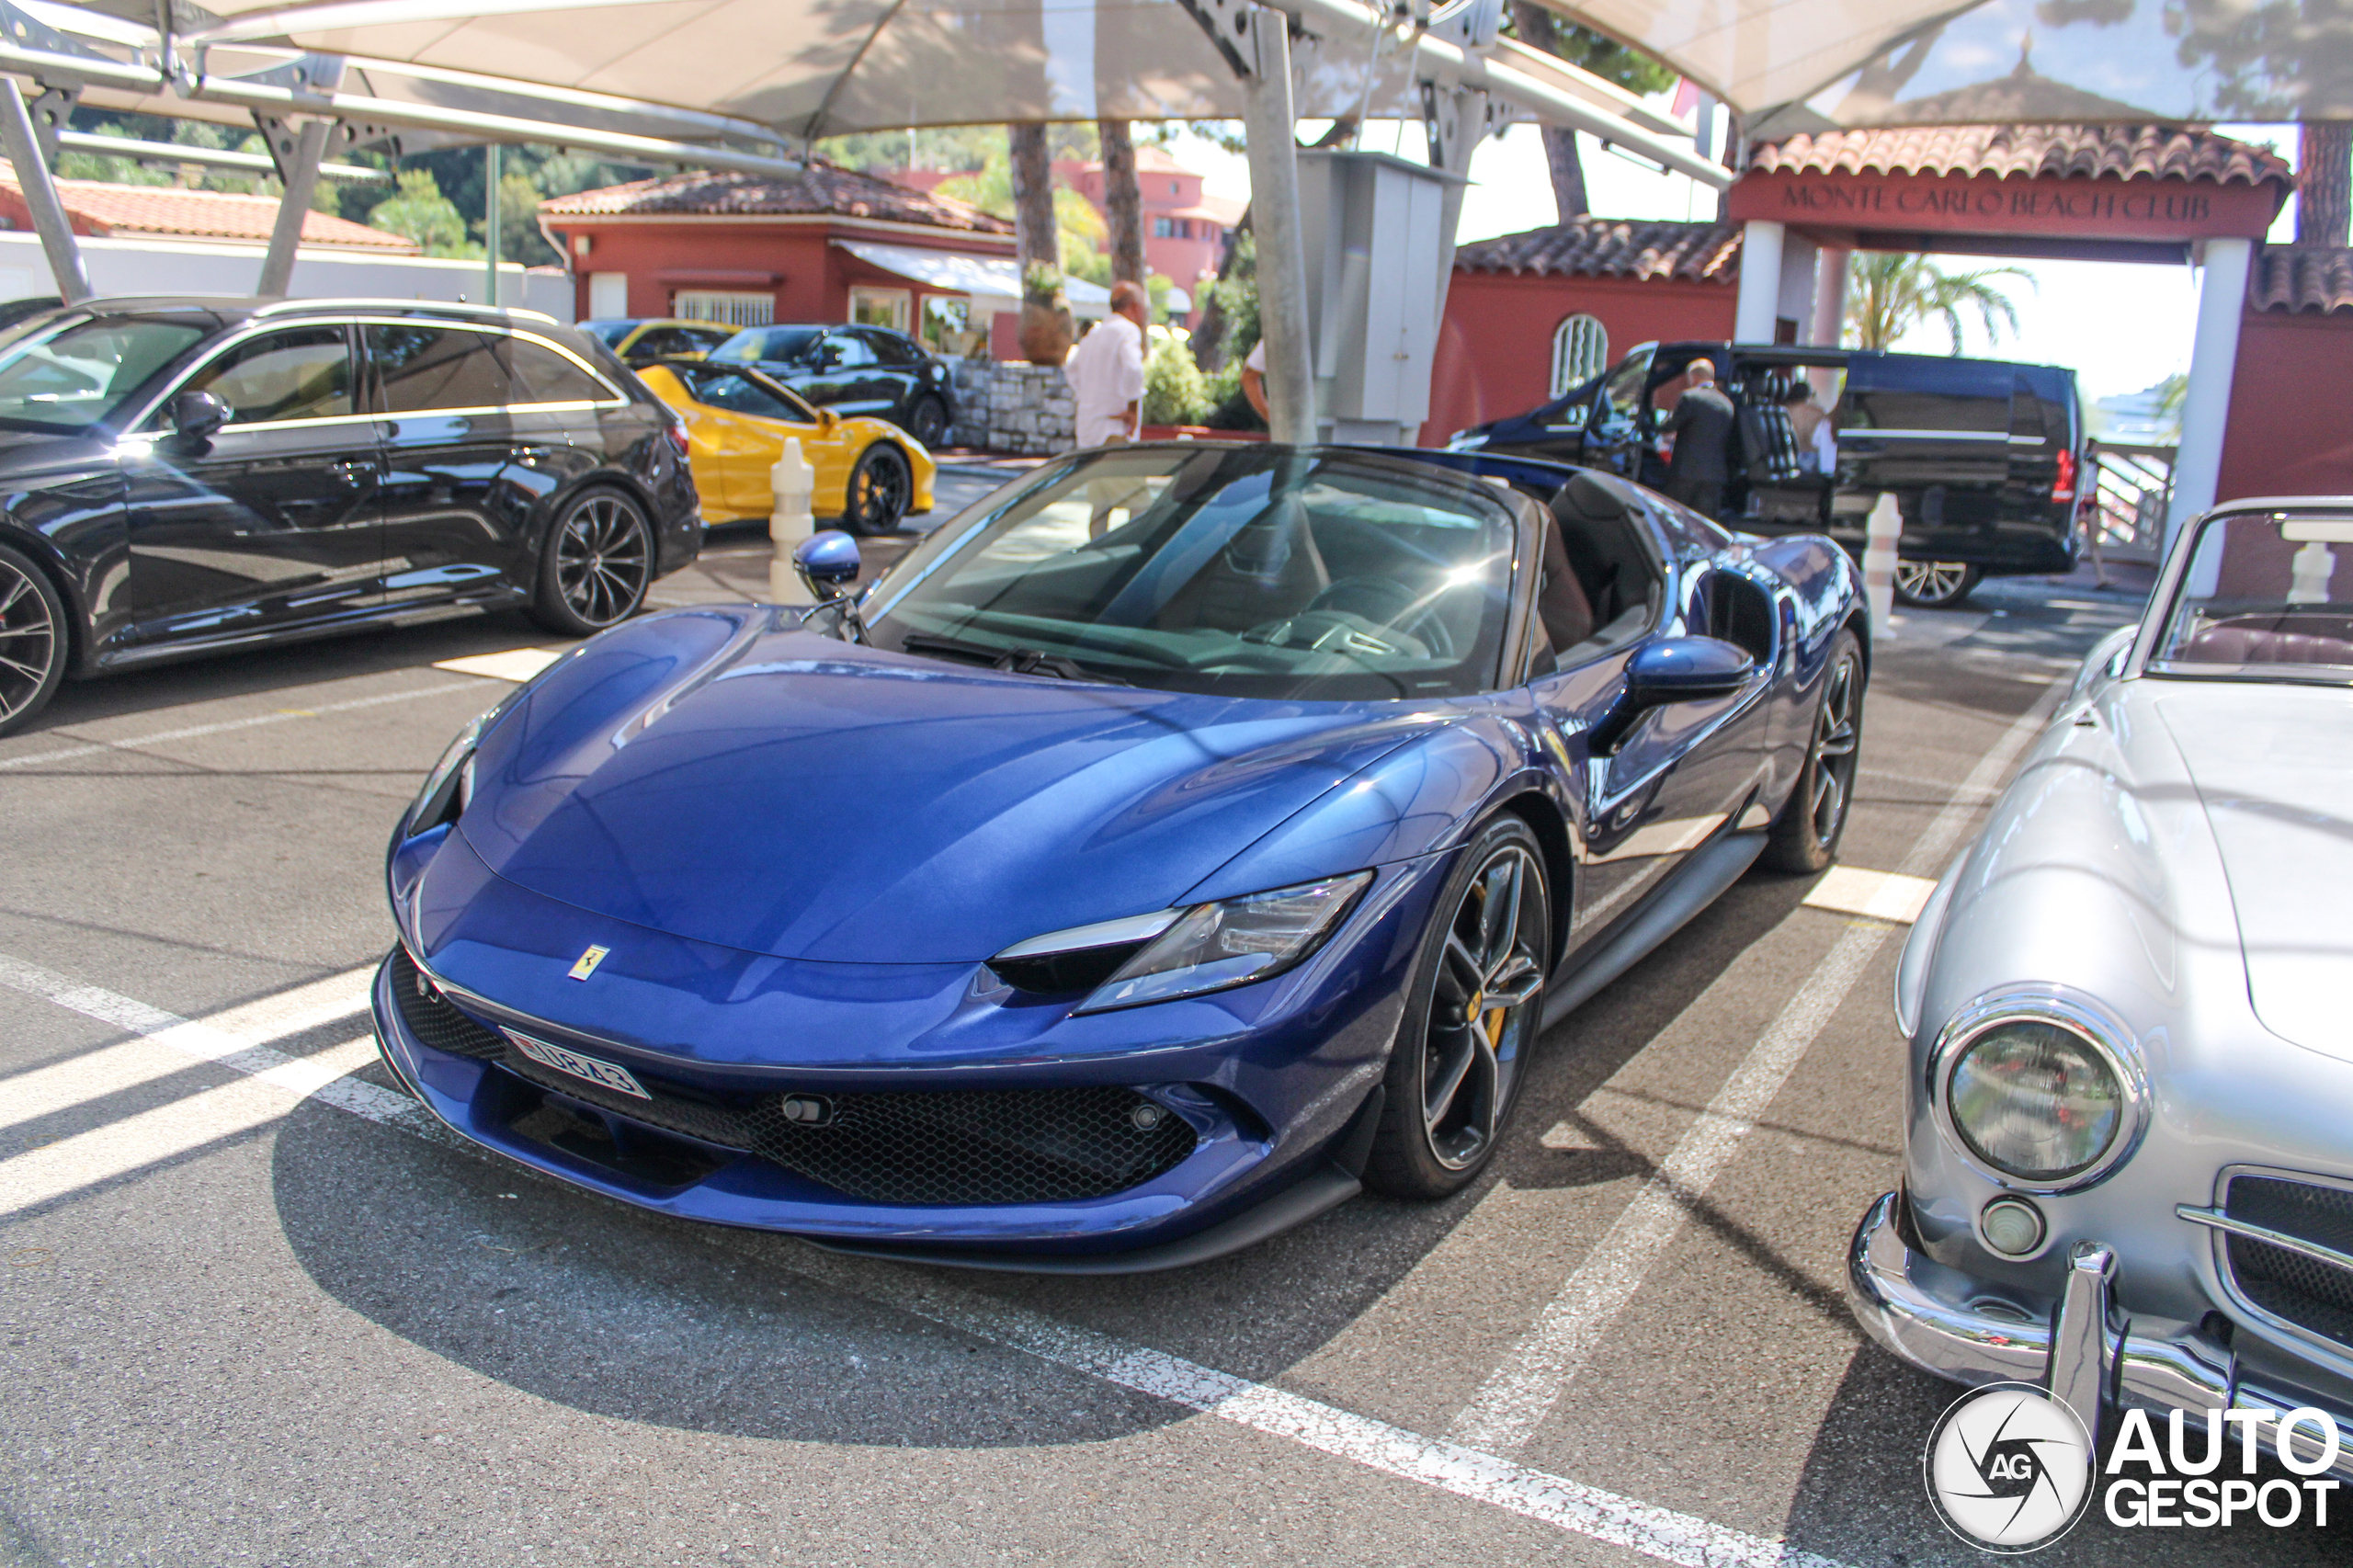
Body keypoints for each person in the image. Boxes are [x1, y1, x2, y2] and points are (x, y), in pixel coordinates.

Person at [1064, 280, 1150, 448]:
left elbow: (1071, 370)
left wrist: (1090, 400)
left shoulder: (1093, 335)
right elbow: (1133, 369)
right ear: (1135, 307)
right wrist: (1132, 410)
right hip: (1112, 428)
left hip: (1086, 426)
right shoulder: (1127, 330)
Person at [1661, 358, 1736, 519]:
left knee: (1677, 517)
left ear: (1693, 377)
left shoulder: (1690, 398)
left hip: (1686, 472)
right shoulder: (1727, 404)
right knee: (1705, 523)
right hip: (1714, 475)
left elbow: (1669, 426)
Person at [1781, 382, 1836, 475]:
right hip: (1813, 457)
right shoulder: (1818, 412)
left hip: (1789, 457)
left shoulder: (1785, 411)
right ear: (1808, 395)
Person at [1241, 337, 1269, 423]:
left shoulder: (1277, 333)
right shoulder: (1277, 333)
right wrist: (1271, 417)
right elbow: (1248, 377)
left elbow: (1248, 377)